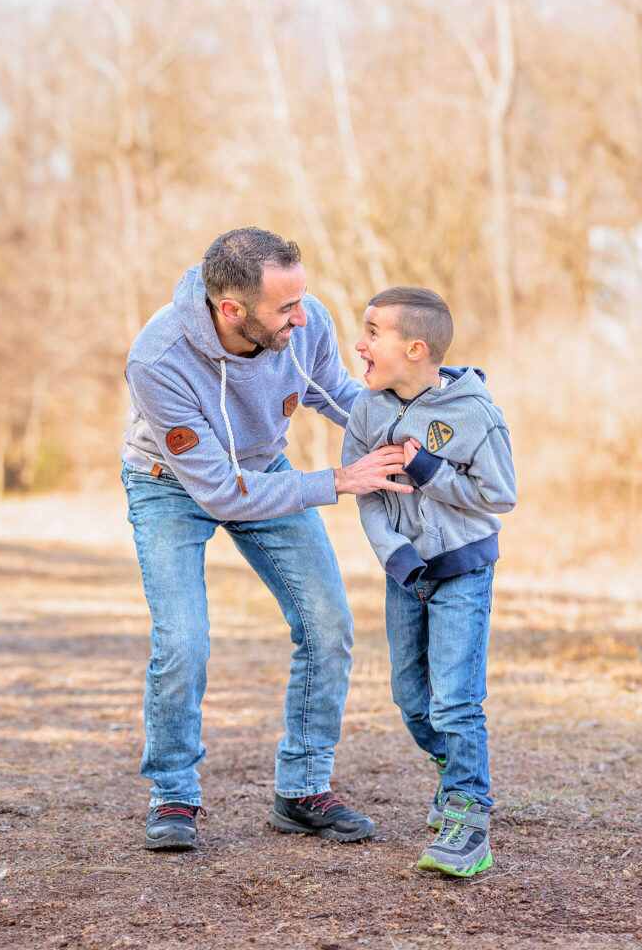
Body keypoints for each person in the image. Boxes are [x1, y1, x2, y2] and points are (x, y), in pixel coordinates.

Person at [121, 228, 413, 851]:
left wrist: (419, 423)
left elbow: (341, 397)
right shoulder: (158, 359)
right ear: (231, 310)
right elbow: (221, 492)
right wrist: (337, 480)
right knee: (183, 641)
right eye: (285, 308)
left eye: (301, 300)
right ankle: (173, 793)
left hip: (265, 467)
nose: (301, 318)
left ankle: (303, 790)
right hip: (170, 482)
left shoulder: (305, 324)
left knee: (328, 622)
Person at [342, 286, 516, 876]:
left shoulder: (474, 413)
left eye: (372, 332)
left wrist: (426, 469)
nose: (359, 343)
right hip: (404, 574)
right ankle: (459, 772)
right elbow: (364, 492)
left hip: (463, 567)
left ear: (415, 348)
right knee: (413, 699)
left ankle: (468, 811)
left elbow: (499, 495)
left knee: (456, 699)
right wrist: (392, 553)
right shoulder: (366, 410)